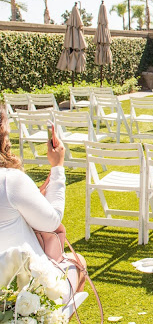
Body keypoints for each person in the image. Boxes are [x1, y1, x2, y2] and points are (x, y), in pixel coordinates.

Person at [0, 106, 81, 302]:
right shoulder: (10, 180)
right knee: (78, 263)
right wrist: (58, 168)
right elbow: (52, 221)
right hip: (19, 287)